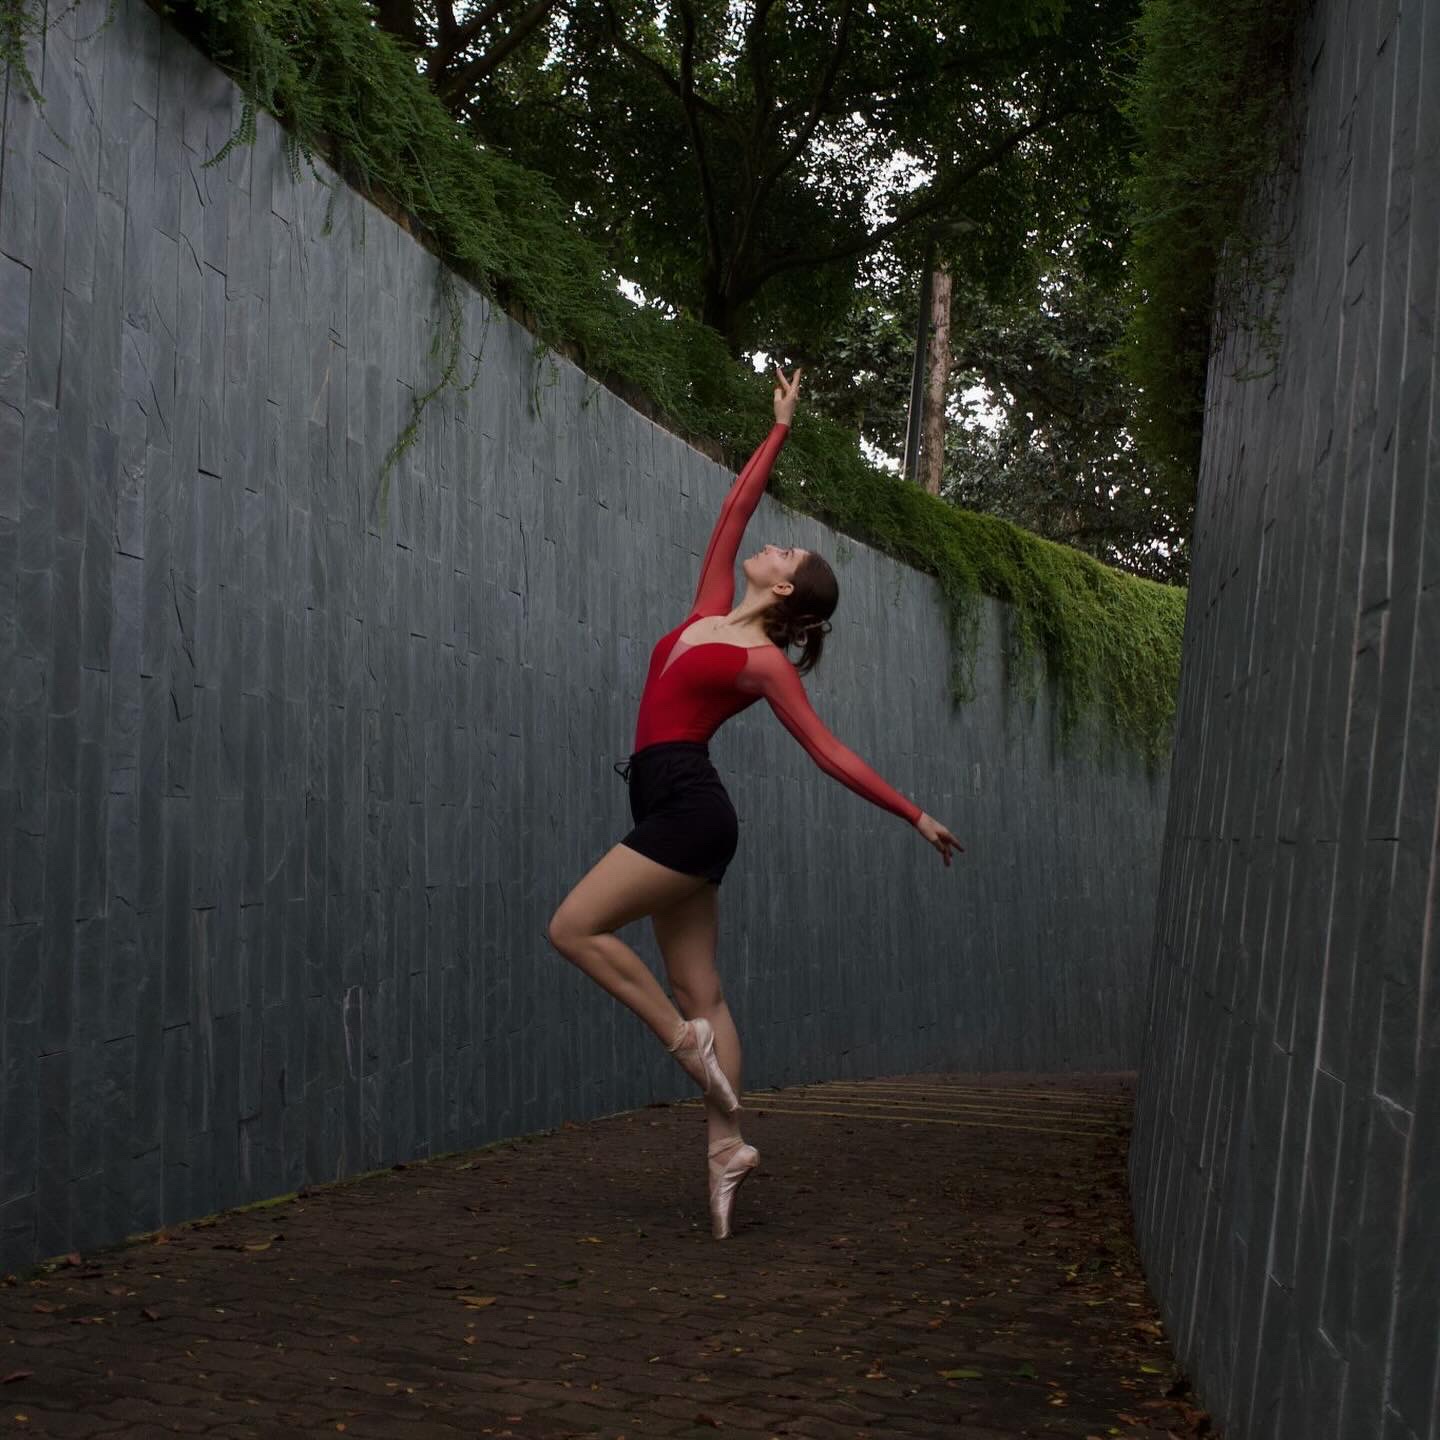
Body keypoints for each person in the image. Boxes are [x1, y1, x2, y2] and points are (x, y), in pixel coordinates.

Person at [547, 365, 962, 1239]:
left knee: (574, 929)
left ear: (783, 592)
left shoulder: (763, 664)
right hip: (665, 801)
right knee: (704, 987)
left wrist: (912, 812)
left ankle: (680, 1043)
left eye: (788, 556)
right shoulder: (708, 609)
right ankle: (727, 1144)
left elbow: (827, 750)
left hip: (690, 807)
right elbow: (732, 511)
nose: (772, 545)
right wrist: (779, 428)